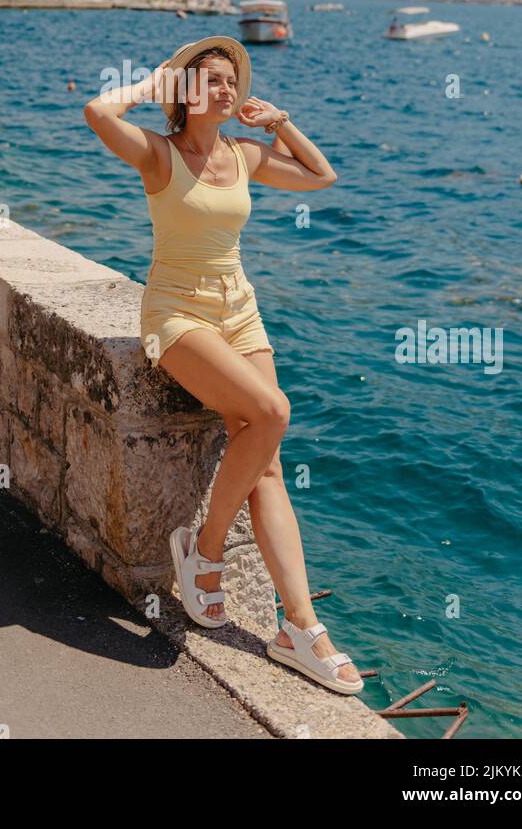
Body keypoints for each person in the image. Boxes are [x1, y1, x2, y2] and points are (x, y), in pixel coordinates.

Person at [83, 36, 363, 694]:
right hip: (178, 315)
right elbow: (98, 113)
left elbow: (321, 178)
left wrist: (281, 123)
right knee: (270, 412)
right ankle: (204, 551)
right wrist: (151, 89)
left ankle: (298, 627)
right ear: (184, 93)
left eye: (230, 81)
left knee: (264, 457)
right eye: (209, 80)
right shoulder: (159, 154)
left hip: (240, 311)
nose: (225, 90)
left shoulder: (243, 154)